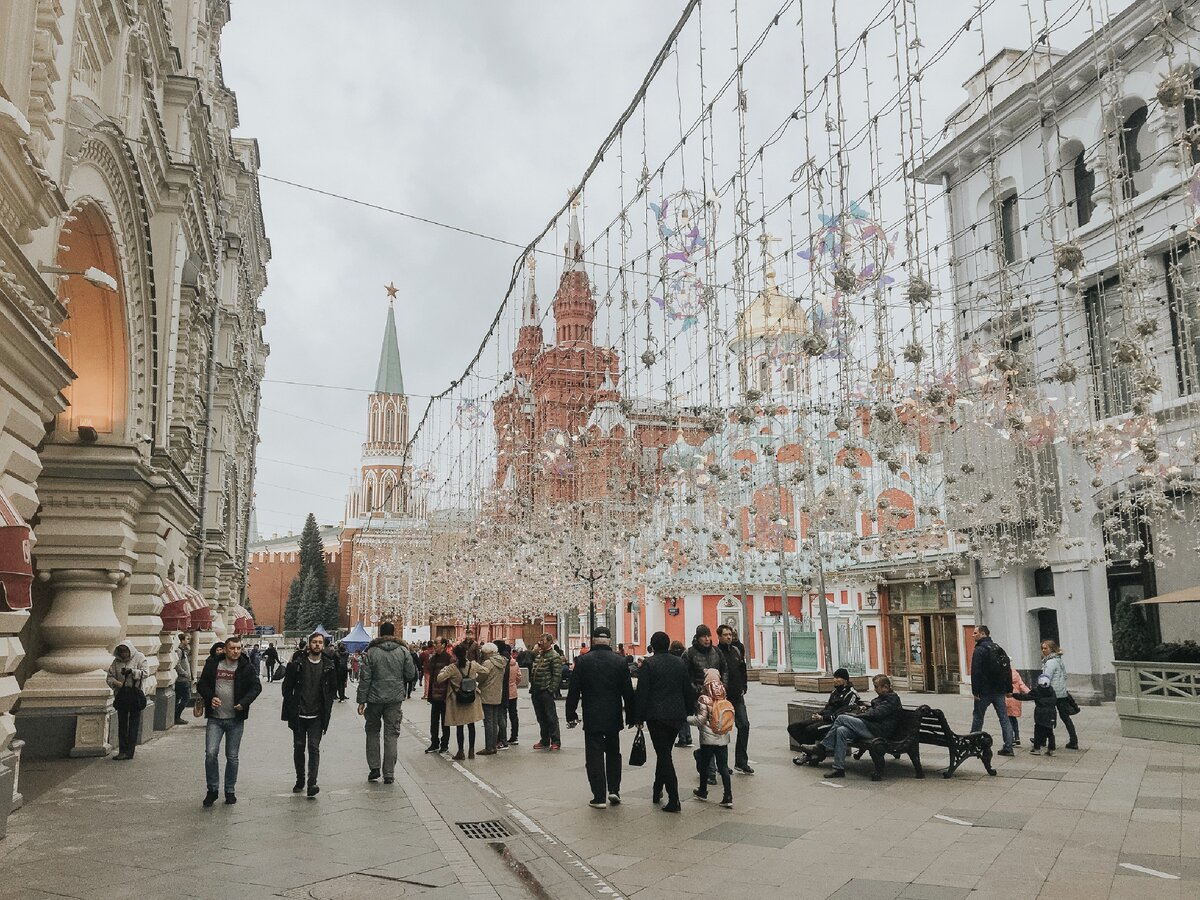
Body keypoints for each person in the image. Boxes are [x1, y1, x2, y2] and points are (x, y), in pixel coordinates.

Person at [565, 626, 635, 809]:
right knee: (613, 752)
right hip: (613, 714)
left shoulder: (583, 661)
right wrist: (632, 715)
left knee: (594, 755)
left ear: (593, 640)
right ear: (609, 641)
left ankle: (598, 796)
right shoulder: (620, 661)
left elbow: (574, 690)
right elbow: (627, 691)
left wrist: (570, 713)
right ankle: (614, 789)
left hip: (592, 714)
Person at [196, 634, 262, 806]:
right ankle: (212, 789)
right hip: (215, 719)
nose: (235, 651)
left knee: (232, 757)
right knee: (210, 754)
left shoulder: (245, 667)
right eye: (232, 648)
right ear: (225, 649)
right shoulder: (213, 664)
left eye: (238, 648)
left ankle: (230, 790)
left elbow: (256, 686)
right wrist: (210, 697)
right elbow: (201, 684)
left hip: (235, 719)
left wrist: (244, 702)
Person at [800, 674, 902, 779]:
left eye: (876, 687)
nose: (875, 689)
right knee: (841, 730)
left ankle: (821, 747)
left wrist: (859, 715)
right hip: (872, 727)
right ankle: (838, 768)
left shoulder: (892, 700)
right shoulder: (882, 698)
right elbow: (874, 712)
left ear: (885, 687)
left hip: (879, 731)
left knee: (841, 718)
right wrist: (865, 710)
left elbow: (877, 714)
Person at [634, 631, 692, 813]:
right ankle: (657, 789)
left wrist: (638, 717)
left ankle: (674, 798)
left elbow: (642, 693)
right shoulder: (680, 663)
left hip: (656, 716)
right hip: (676, 715)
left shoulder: (648, 665)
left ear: (652, 645)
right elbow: (687, 688)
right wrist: (689, 710)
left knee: (664, 754)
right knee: (664, 752)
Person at [356, 621, 417, 783]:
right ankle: (389, 773)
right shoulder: (403, 651)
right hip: (395, 698)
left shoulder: (371, 651)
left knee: (372, 731)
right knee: (391, 734)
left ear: (380, 633)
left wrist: (361, 700)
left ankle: (374, 768)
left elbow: (365, 678)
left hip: (374, 699)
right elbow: (411, 674)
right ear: (394, 633)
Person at [281, 632, 336, 797]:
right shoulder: (297, 664)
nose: (317, 645)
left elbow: (331, 689)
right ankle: (300, 779)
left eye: (320, 642)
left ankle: (312, 783)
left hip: (317, 715)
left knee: (314, 747)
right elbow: (286, 688)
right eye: (314, 642)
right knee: (299, 747)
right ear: (309, 644)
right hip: (299, 713)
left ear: (323, 646)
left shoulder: (329, 666)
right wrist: (292, 706)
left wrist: (328, 706)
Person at [789, 668, 861, 765]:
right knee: (794, 727)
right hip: (823, 718)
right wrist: (819, 714)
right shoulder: (834, 692)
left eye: (838, 678)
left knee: (810, 729)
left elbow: (844, 713)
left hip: (834, 723)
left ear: (845, 680)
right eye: (834, 677)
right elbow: (828, 707)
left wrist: (823, 718)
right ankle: (812, 753)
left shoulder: (851, 694)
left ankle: (813, 753)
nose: (835, 680)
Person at [687, 669, 734, 808]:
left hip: (708, 738)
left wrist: (687, 719)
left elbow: (700, 720)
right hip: (723, 736)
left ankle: (703, 791)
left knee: (704, 764)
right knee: (723, 767)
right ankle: (728, 795)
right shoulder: (724, 695)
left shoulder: (704, 698)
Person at [970, 625, 1015, 756]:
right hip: (999, 690)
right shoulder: (998, 648)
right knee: (1004, 718)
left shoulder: (979, 650)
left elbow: (976, 672)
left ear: (983, 634)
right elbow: (1007, 669)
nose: (973, 635)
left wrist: (975, 691)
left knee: (978, 716)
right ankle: (1008, 747)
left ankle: (973, 742)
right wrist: (1008, 688)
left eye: (975, 633)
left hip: (984, 691)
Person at [716, 624, 753, 775]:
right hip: (723, 698)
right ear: (719, 636)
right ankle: (721, 764)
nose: (729, 637)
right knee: (721, 730)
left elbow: (742, 669)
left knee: (744, 725)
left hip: (737, 696)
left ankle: (741, 761)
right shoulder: (716, 653)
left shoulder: (736, 651)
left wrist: (744, 685)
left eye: (730, 634)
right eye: (725, 635)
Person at [438, 642, 485, 760]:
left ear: (454, 655)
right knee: (471, 724)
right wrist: (475, 679)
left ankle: (461, 751)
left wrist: (443, 670)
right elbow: (485, 671)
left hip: (457, 700)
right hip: (471, 699)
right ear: (466, 653)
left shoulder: (452, 668)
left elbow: (439, 679)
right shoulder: (473, 665)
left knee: (460, 726)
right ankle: (471, 751)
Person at [106, 640, 149, 760]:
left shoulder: (139, 658)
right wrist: (118, 684)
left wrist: (132, 672)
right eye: (121, 652)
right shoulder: (116, 662)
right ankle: (122, 750)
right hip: (122, 695)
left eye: (125, 651)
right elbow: (109, 677)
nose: (124, 654)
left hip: (135, 695)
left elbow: (146, 673)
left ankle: (130, 751)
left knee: (134, 723)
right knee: (122, 724)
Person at [1041, 640, 1079, 749]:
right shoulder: (1059, 660)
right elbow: (1065, 676)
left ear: (1051, 649)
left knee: (1046, 716)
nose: (1043, 650)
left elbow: (1046, 678)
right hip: (1061, 693)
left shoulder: (1050, 662)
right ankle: (1074, 740)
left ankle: (1043, 740)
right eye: (1042, 648)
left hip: (1052, 693)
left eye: (1045, 648)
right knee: (1065, 717)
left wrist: (1041, 690)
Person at [529, 634, 562, 751]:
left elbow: (557, 675)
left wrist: (550, 689)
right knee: (541, 717)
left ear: (549, 642)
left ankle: (555, 741)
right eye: (540, 640)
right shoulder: (539, 655)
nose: (540, 643)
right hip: (536, 691)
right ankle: (544, 740)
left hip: (545, 691)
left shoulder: (554, 656)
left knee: (551, 717)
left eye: (542, 641)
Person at [1013, 674, 1059, 755]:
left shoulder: (1037, 690)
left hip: (1040, 714)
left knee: (1038, 731)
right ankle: (1051, 750)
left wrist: (1014, 695)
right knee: (1050, 732)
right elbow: (1055, 701)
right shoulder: (1052, 691)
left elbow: (1025, 697)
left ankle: (1037, 748)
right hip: (1051, 714)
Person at [476, 642, 507, 755]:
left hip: (487, 694)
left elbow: (480, 677)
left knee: (488, 722)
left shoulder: (488, 663)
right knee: (494, 721)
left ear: (488, 652)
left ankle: (489, 747)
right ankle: (493, 745)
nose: (483, 655)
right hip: (497, 693)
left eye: (483, 653)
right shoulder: (502, 661)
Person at [424, 638, 453, 753]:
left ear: (444, 645)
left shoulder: (449, 658)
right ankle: (434, 742)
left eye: (437, 643)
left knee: (445, 722)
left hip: (444, 695)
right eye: (434, 643)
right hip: (434, 694)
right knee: (434, 721)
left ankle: (444, 744)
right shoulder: (433, 658)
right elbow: (429, 671)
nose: (434, 645)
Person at [494, 639, 519, 748]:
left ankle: (501, 739)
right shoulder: (514, 663)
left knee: (502, 716)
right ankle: (514, 737)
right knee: (513, 715)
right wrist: (513, 684)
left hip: (503, 692)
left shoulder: (501, 662)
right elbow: (519, 677)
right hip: (513, 691)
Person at [668, 640, 691, 746]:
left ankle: (682, 738)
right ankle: (688, 736)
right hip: (685, 689)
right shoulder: (685, 656)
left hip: (676, 690)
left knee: (679, 716)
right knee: (685, 715)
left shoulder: (671, 658)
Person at [1007, 669, 1030, 747]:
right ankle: (1017, 737)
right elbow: (1022, 685)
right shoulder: (1016, 674)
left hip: (1007, 698)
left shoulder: (1003, 673)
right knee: (1014, 720)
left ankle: (1011, 738)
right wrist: (1030, 693)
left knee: (1008, 720)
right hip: (1016, 699)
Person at [174, 632, 193, 725]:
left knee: (178, 698)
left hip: (184, 679)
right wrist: (184, 673)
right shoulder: (179, 651)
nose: (189, 641)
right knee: (186, 697)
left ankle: (175, 716)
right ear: (181, 640)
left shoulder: (183, 650)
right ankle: (176, 716)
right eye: (187, 639)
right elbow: (177, 664)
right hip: (181, 679)